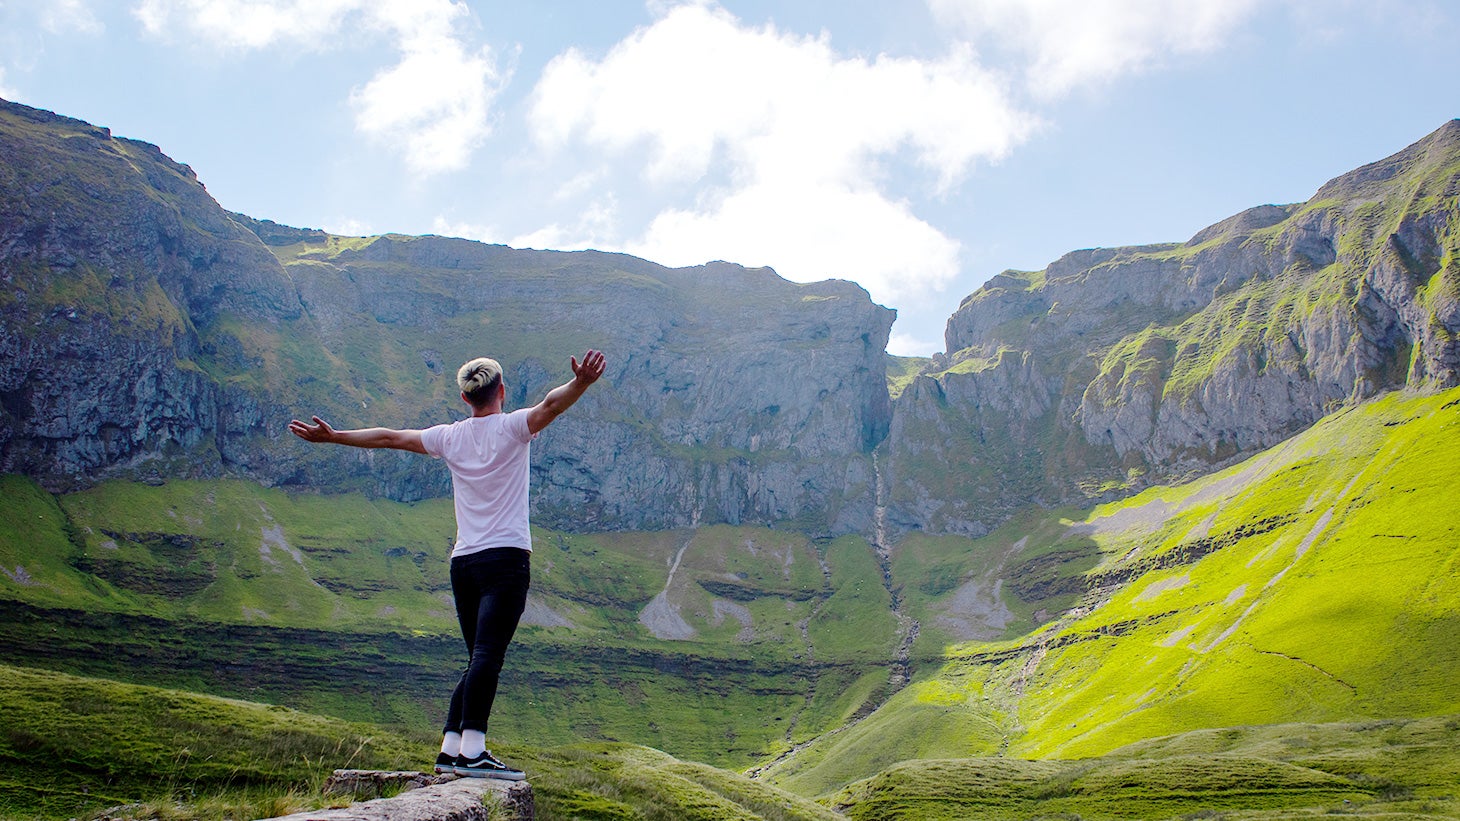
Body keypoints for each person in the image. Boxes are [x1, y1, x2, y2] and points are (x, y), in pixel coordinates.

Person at [288, 349, 606, 780]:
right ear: (502, 392)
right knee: (488, 656)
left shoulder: (449, 437)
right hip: (506, 559)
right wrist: (583, 382)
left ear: (464, 398)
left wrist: (335, 436)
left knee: (478, 656)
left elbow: (388, 437)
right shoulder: (514, 427)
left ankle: (450, 747)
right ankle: (474, 750)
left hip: (464, 564)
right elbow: (552, 403)